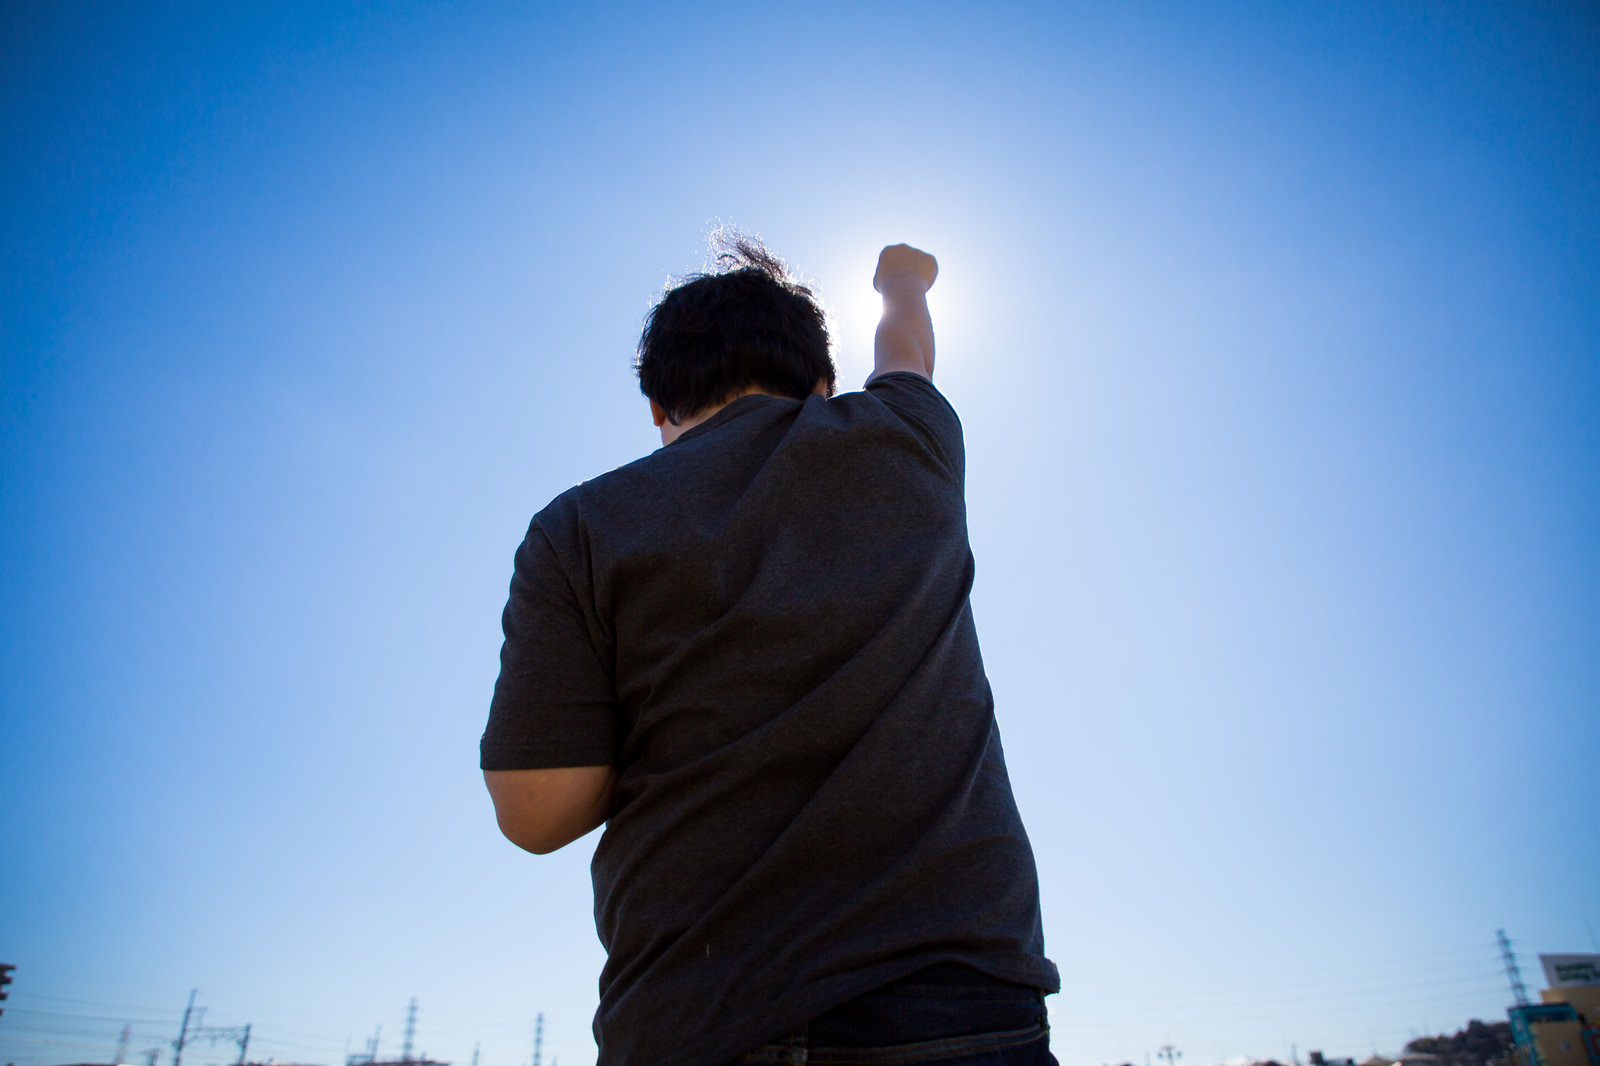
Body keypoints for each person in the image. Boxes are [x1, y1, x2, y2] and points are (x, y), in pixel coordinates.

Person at [481, 235, 1059, 1066]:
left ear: (657, 407)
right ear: (821, 384)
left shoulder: (579, 528)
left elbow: (536, 811)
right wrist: (902, 279)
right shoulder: (907, 438)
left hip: (700, 1009)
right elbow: (906, 347)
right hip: (956, 994)